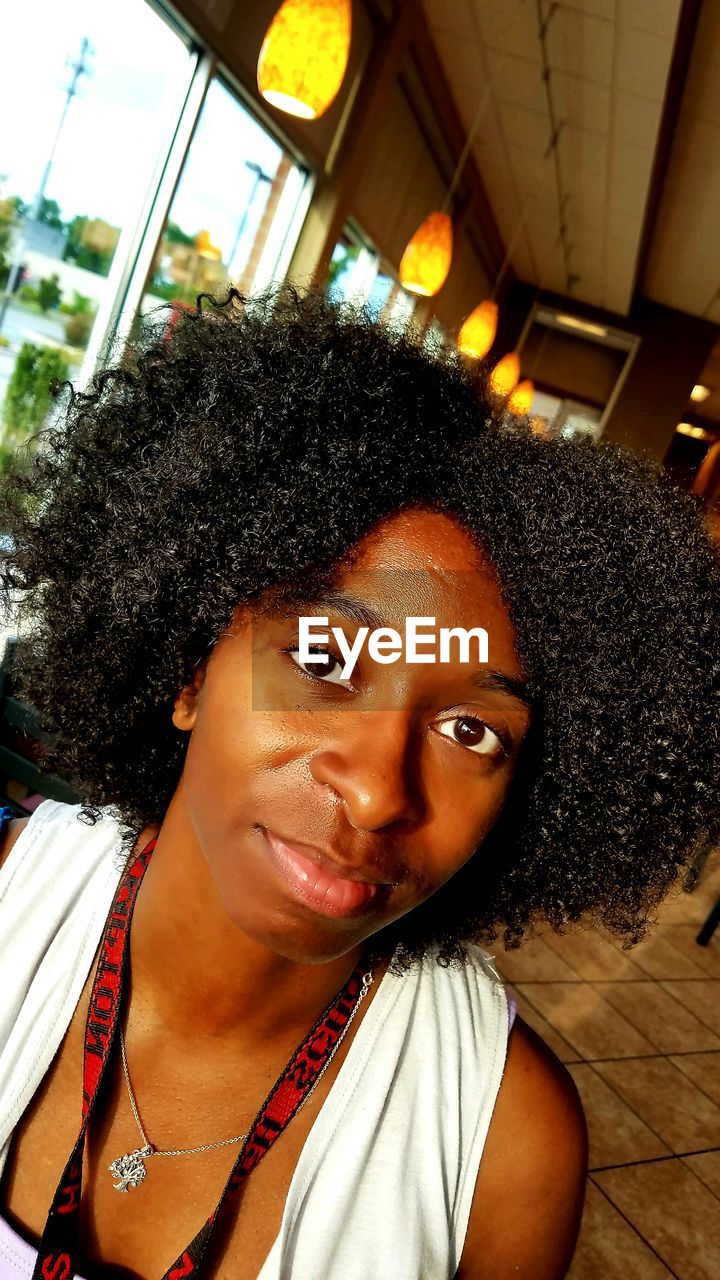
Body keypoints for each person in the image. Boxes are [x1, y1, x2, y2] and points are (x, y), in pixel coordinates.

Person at [0, 284, 718, 1280]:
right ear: (189, 665)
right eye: (327, 662)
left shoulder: (503, 1151)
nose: (381, 789)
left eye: (472, 728)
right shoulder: (9, 901)